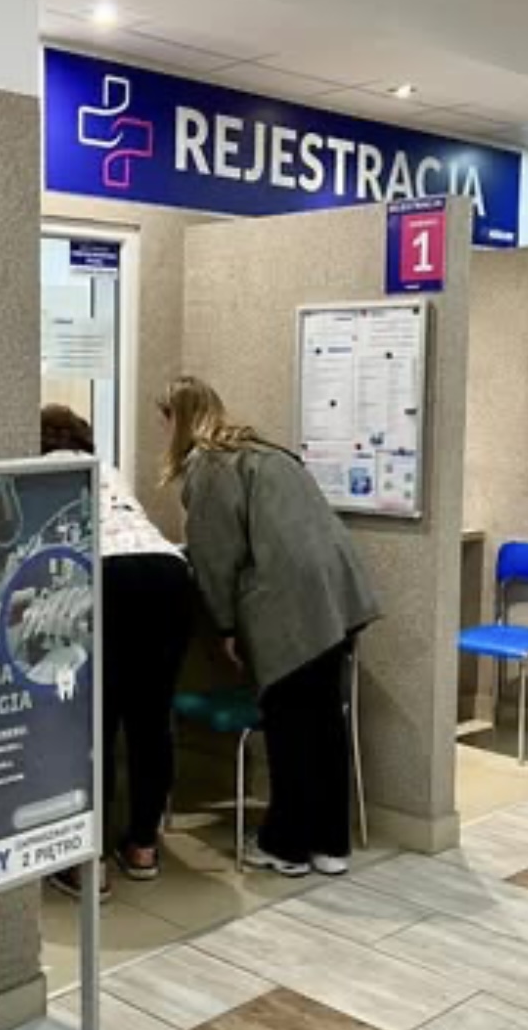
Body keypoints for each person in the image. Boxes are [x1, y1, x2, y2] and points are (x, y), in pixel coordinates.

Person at [160, 376, 380, 877]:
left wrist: (225, 625)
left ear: (176, 418)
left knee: (289, 724)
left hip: (286, 605)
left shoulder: (209, 465)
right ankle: (330, 845)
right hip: (336, 596)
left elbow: (216, 554)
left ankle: (286, 846)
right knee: (324, 721)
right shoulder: (267, 452)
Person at [40, 405, 193, 888]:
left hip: (104, 576)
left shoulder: (37, 474)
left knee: (95, 726)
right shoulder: (107, 470)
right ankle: (142, 847)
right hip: (169, 573)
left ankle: (89, 862)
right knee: (151, 722)